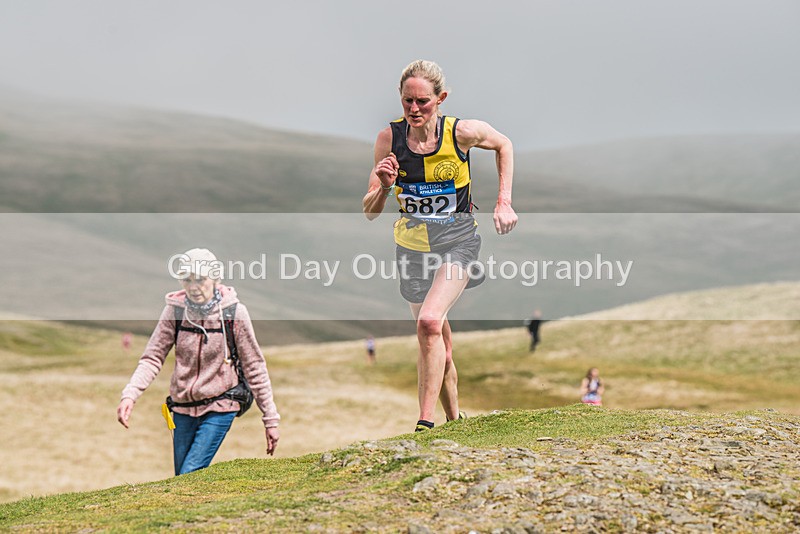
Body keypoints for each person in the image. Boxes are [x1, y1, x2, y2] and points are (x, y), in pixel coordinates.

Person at [362, 60, 517, 432]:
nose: (414, 109)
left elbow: (504, 144)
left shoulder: (461, 133)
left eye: (423, 102)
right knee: (439, 341)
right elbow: (370, 211)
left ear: (440, 98)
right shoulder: (389, 140)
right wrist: (383, 185)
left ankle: (424, 424)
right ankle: (455, 421)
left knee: (429, 323)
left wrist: (503, 201)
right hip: (411, 250)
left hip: (458, 243)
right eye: (407, 101)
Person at [117, 248, 280, 475]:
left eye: (200, 279)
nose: (194, 287)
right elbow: (153, 357)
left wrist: (270, 419)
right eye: (187, 279)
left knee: (189, 472)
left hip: (222, 404)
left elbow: (254, 366)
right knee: (181, 478)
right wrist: (130, 395)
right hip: (182, 407)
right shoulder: (174, 312)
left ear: (215, 278)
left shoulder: (234, 313)